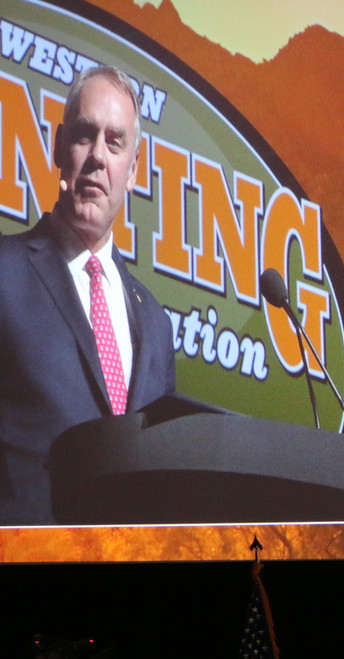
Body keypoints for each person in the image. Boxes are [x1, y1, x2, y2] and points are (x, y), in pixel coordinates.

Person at [0, 64, 176, 525]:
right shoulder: (5, 272)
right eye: (84, 135)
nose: (99, 156)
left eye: (115, 142)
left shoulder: (155, 323)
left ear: (133, 169)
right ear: (59, 146)